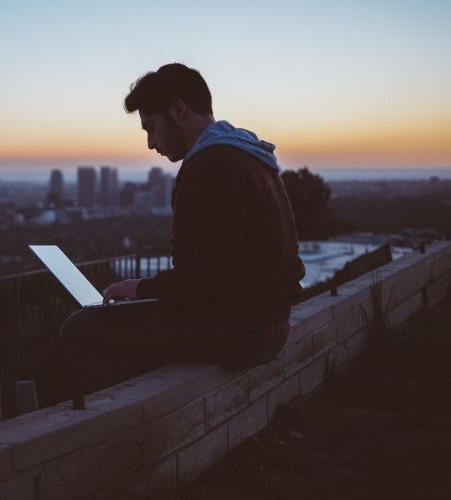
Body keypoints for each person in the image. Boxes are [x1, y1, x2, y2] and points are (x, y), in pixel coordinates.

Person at [59, 63, 306, 394]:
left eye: (151, 127)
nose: (150, 143)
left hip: (242, 332)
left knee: (79, 330)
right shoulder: (249, 155)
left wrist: (143, 289)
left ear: (177, 110)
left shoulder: (212, 165)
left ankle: (133, 424)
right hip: (270, 324)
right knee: (135, 325)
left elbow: (214, 274)